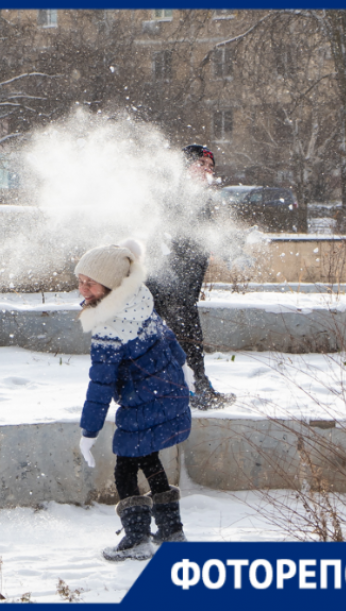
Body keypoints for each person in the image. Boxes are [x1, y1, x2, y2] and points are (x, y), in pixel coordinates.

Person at [75, 239, 193, 562]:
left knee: (125, 469)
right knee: (149, 459)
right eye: (80, 281)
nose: (82, 289)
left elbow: (100, 385)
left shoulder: (107, 329)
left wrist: (89, 431)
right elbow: (167, 337)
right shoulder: (139, 301)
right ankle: (172, 531)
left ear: (111, 285)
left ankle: (137, 538)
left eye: (90, 283)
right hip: (165, 393)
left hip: (144, 402)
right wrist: (184, 367)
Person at [146, 144, 236, 410]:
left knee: (176, 339)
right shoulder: (175, 193)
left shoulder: (199, 198)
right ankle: (196, 391)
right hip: (169, 284)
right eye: (201, 165)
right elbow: (166, 234)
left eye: (210, 167)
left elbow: (203, 236)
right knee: (187, 339)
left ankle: (179, 390)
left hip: (182, 287)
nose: (207, 171)